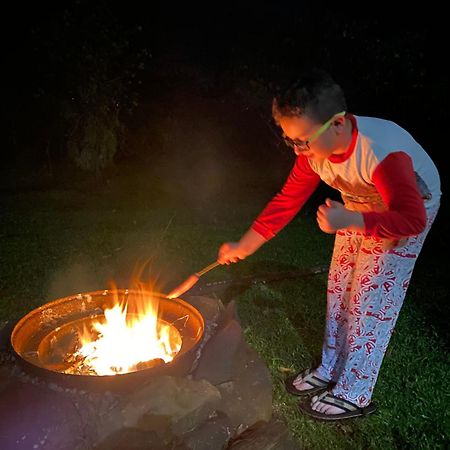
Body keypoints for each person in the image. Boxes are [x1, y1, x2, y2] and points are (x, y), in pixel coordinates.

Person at [217, 68, 441, 421]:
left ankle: (355, 391)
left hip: (409, 207)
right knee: (340, 287)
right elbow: (288, 199)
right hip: (359, 202)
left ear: (337, 124)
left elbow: (410, 220)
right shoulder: (313, 154)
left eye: (302, 140)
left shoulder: (381, 154)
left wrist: (352, 220)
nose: (297, 149)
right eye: (289, 140)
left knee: (370, 299)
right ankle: (330, 368)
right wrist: (246, 244)